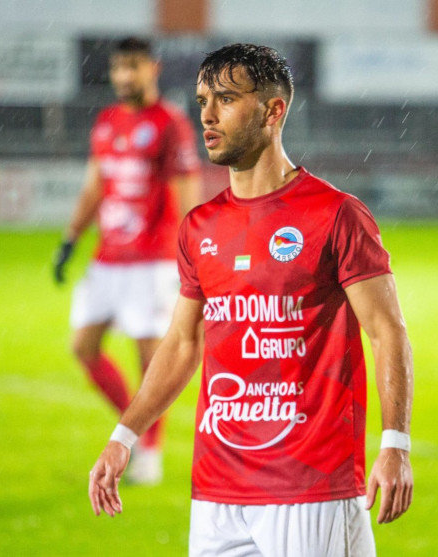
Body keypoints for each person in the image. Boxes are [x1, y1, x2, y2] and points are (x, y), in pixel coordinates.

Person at [88, 43, 413, 555]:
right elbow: (181, 343)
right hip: (217, 489)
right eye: (201, 101)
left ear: (273, 110)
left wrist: (395, 444)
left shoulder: (335, 215)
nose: (208, 115)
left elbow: (386, 330)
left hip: (308, 486)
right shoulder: (200, 226)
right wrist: (124, 437)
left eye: (226, 99)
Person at [54, 37, 201, 485]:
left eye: (133, 67)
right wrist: (70, 239)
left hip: (151, 261)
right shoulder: (106, 122)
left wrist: (191, 259)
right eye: (119, 68)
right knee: (84, 347)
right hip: (107, 258)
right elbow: (95, 188)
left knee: (150, 363)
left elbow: (187, 195)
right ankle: (136, 427)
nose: (124, 76)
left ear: (152, 68)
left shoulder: (170, 124)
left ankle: (149, 455)